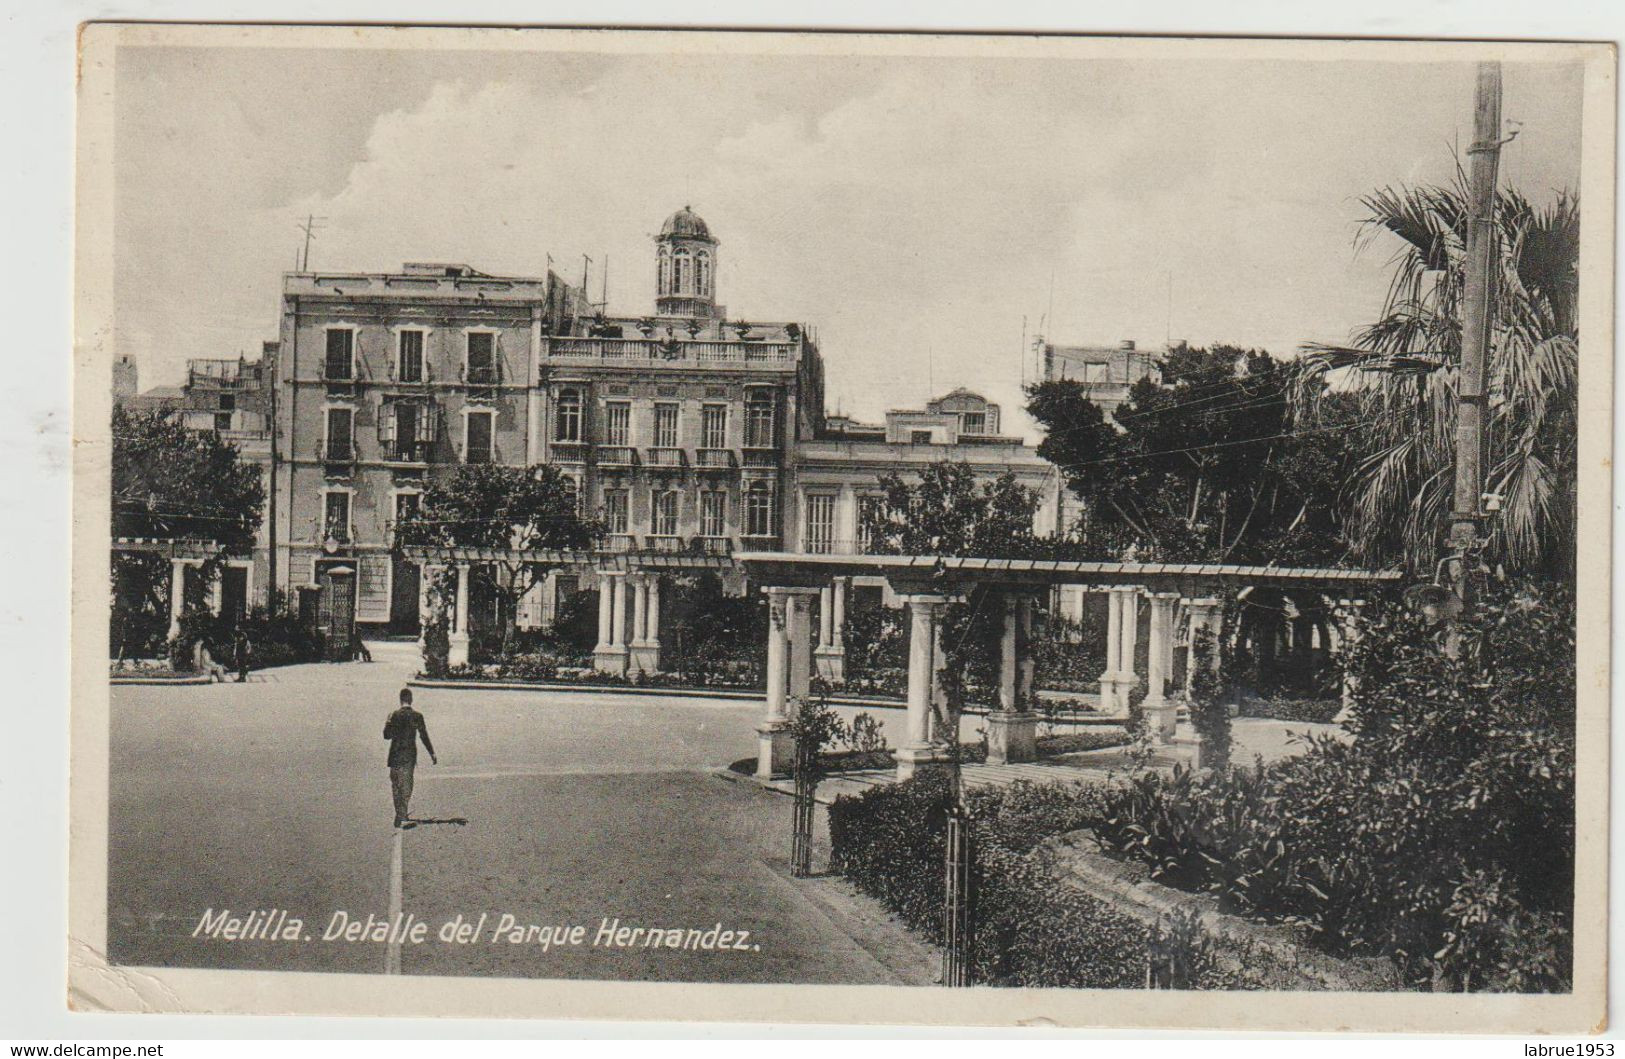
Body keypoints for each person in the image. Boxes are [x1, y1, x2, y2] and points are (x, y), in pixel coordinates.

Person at [383, 688, 436, 828]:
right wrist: (432, 753)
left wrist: (388, 722)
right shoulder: (417, 716)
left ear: (400, 699)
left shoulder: (393, 715)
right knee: (407, 785)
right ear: (411, 699)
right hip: (408, 756)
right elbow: (424, 736)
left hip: (394, 755)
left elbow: (386, 736)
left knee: (396, 785)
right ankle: (402, 813)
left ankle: (400, 813)